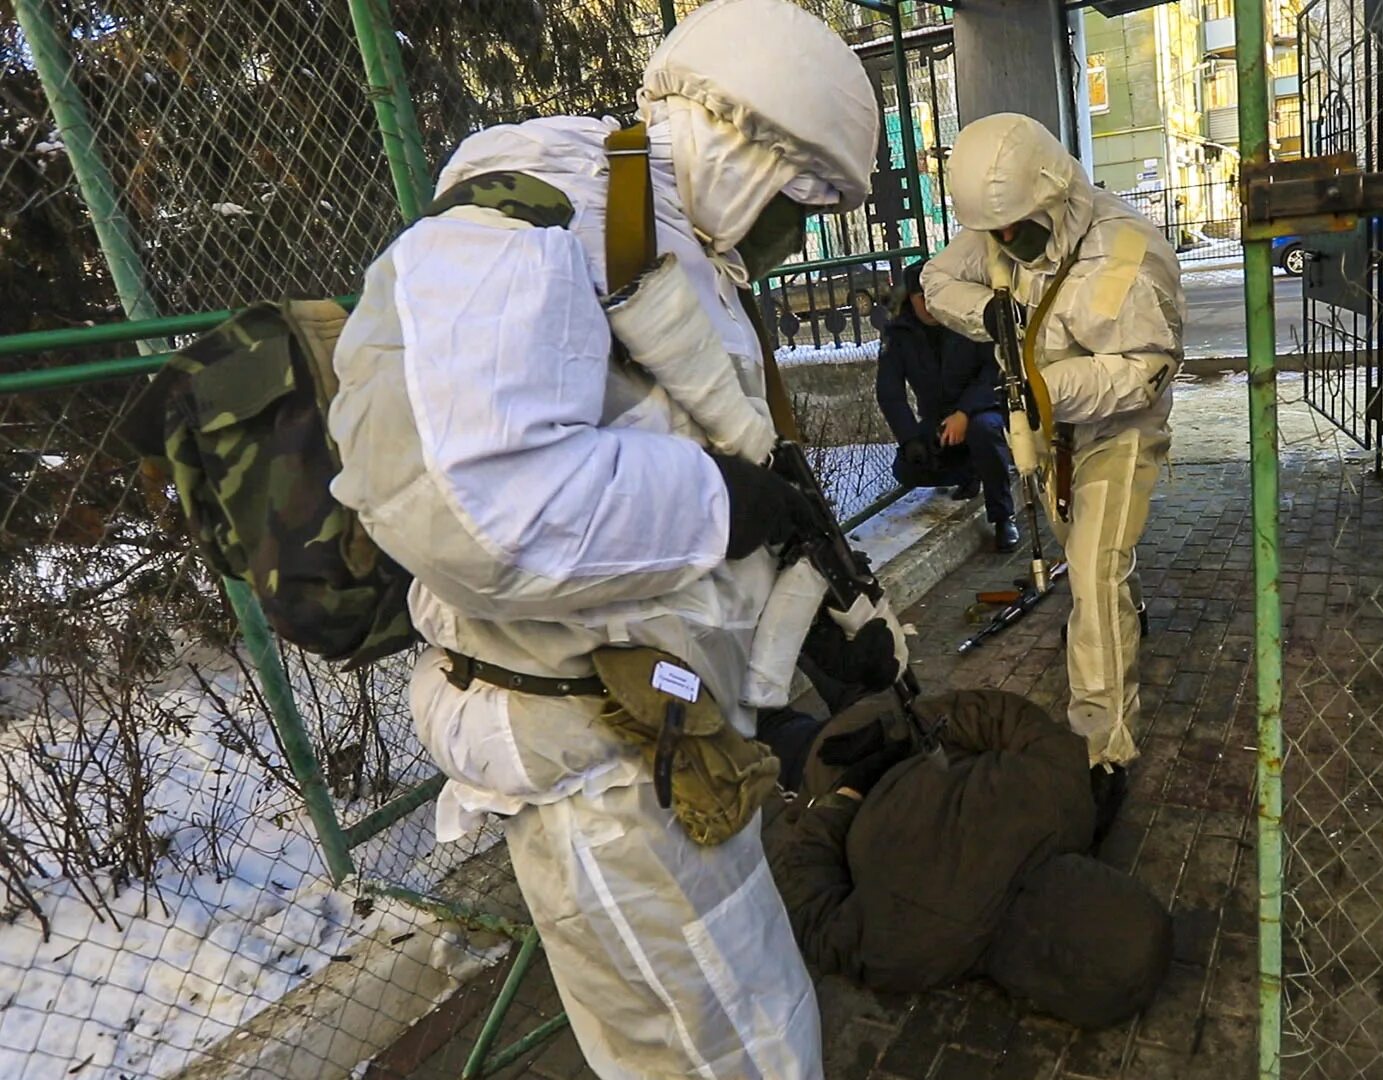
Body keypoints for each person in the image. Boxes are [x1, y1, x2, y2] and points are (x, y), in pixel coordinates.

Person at [325, 2, 888, 1076]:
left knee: (737, 1035)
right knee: (738, 1053)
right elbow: (476, 506)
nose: (799, 232)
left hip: (657, 742)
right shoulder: (533, 225)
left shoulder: (658, 239)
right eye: (801, 197)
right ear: (736, 141)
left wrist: (808, 658)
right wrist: (721, 505)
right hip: (600, 770)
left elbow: (664, 490)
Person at [922, 113, 1184, 825]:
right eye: (993, 233)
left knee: (1094, 581)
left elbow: (1149, 369)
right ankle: (1115, 628)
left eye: (1012, 230)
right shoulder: (1002, 224)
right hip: (1043, 435)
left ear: (1053, 192)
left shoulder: (1123, 253)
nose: (1002, 244)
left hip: (1114, 431)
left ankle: (1104, 753)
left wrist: (1050, 389)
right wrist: (995, 311)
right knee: (1087, 563)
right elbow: (938, 278)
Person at [759, 689, 1174, 1027]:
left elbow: (999, 714)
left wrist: (874, 764)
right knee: (764, 718)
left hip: (846, 750)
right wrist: (892, 744)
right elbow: (807, 900)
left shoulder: (1068, 801)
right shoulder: (919, 949)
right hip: (840, 756)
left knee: (768, 715)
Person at [876, 262, 1020, 552]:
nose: (928, 304)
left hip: (981, 410)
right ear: (910, 299)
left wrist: (965, 413)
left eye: (933, 295)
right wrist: (910, 439)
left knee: (985, 432)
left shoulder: (966, 320)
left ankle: (1004, 517)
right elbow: (889, 392)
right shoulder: (899, 334)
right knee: (907, 469)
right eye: (921, 297)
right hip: (938, 419)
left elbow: (993, 369)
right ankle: (970, 471)